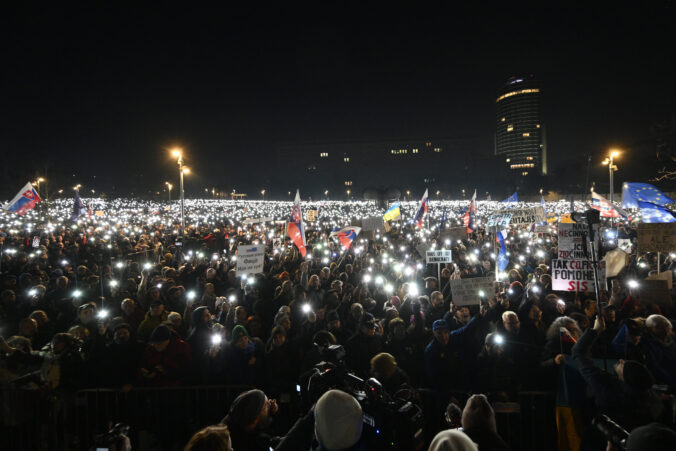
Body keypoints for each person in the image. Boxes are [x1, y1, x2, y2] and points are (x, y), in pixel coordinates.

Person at [572, 315, 663, 436]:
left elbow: (578, 353)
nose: (621, 361)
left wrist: (595, 331)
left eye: (624, 365)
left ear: (626, 379)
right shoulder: (648, 399)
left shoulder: (606, 386)